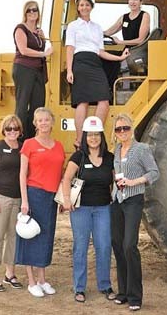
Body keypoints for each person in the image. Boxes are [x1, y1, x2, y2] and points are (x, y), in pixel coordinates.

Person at [65, 0, 130, 149]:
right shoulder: (72, 26)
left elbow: (101, 52)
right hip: (80, 62)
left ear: (91, 7)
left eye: (87, 4)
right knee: (82, 101)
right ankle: (80, 140)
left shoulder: (97, 28)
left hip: (95, 63)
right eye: (81, 4)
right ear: (78, 8)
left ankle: (93, 134)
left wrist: (120, 58)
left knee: (104, 101)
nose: (84, 7)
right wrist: (69, 70)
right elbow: (70, 48)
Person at [62, 116, 116, 303]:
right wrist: (67, 200)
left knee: (103, 246)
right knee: (81, 247)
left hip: (103, 209)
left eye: (96, 134)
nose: (93, 138)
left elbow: (116, 181)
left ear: (101, 136)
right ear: (84, 136)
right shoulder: (79, 156)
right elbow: (66, 179)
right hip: (81, 210)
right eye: (90, 135)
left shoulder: (109, 158)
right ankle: (79, 287)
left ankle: (105, 285)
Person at [15, 107, 65, 298]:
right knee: (31, 237)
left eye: (46, 120)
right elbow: (22, 174)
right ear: (35, 124)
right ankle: (31, 281)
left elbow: (60, 175)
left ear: (52, 122)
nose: (43, 123)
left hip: (51, 198)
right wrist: (25, 201)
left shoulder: (58, 145)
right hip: (34, 195)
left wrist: (61, 198)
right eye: (39, 120)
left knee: (46, 238)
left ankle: (42, 280)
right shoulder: (28, 144)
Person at [111, 114, 159, 311]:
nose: (122, 132)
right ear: (115, 133)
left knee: (130, 245)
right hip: (117, 200)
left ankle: (135, 296)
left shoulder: (142, 149)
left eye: (125, 128)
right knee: (117, 243)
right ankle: (122, 292)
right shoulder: (116, 150)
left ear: (132, 129)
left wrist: (134, 182)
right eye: (118, 129)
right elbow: (116, 172)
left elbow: (154, 173)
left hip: (133, 201)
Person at [0, 114, 23, 292]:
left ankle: (10, 273)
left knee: (13, 238)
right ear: (3, 130)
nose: (12, 131)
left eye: (15, 128)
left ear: (20, 130)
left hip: (17, 199)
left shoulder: (22, 148)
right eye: (9, 128)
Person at [13, 0, 53, 141]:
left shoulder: (38, 32)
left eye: (34, 10)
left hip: (38, 71)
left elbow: (42, 47)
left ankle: (31, 139)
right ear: (25, 13)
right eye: (29, 10)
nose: (32, 12)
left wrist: (42, 38)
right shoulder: (20, 29)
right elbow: (23, 50)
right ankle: (18, 138)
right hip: (24, 69)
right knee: (22, 105)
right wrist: (44, 54)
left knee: (38, 105)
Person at [103, 0, 150, 91]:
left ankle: (110, 89)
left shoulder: (144, 16)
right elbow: (110, 31)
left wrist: (120, 42)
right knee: (103, 55)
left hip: (137, 51)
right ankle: (107, 89)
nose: (132, 2)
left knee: (110, 59)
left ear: (141, 2)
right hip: (126, 50)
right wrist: (97, 32)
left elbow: (140, 40)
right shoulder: (124, 17)